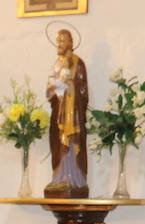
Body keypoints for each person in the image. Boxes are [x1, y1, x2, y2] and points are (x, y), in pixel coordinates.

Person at [45, 27, 89, 196]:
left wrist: (72, 85)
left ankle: (74, 178)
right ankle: (59, 176)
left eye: (62, 40)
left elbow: (84, 90)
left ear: (71, 42)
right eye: (58, 41)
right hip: (59, 112)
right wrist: (54, 86)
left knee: (72, 141)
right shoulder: (56, 65)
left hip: (73, 112)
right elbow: (49, 92)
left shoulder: (79, 62)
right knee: (58, 142)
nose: (59, 44)